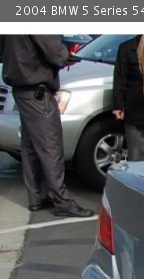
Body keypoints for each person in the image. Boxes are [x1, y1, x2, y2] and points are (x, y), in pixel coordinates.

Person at [1, 35, 93, 217]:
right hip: (37, 91)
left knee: (31, 147)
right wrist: (66, 54)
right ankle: (62, 201)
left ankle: (37, 197)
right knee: (50, 146)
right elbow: (54, 52)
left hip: (22, 88)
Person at [112, 35, 144, 160]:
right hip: (137, 111)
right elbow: (120, 79)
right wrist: (118, 105)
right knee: (137, 154)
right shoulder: (127, 48)